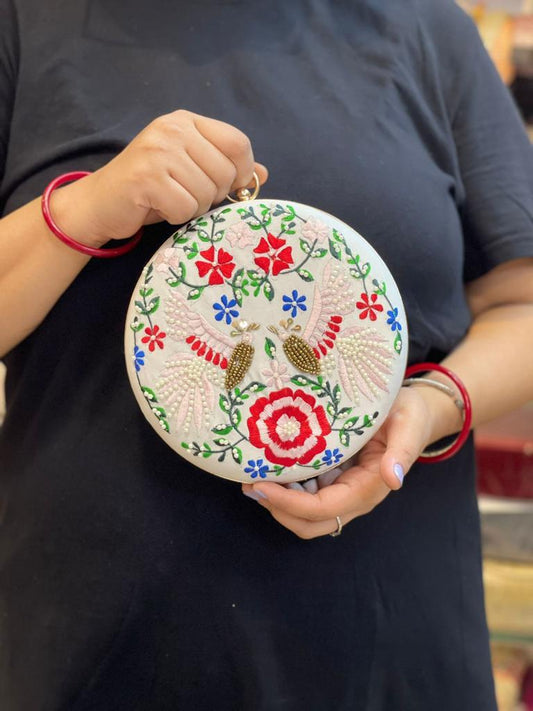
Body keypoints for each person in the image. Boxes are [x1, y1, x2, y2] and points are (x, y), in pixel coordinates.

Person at [0, 1, 532, 709]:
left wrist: (425, 408)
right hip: (94, 649)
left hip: (390, 649)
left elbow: (521, 306)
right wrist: (81, 209)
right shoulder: (25, 23)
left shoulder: (427, 29)